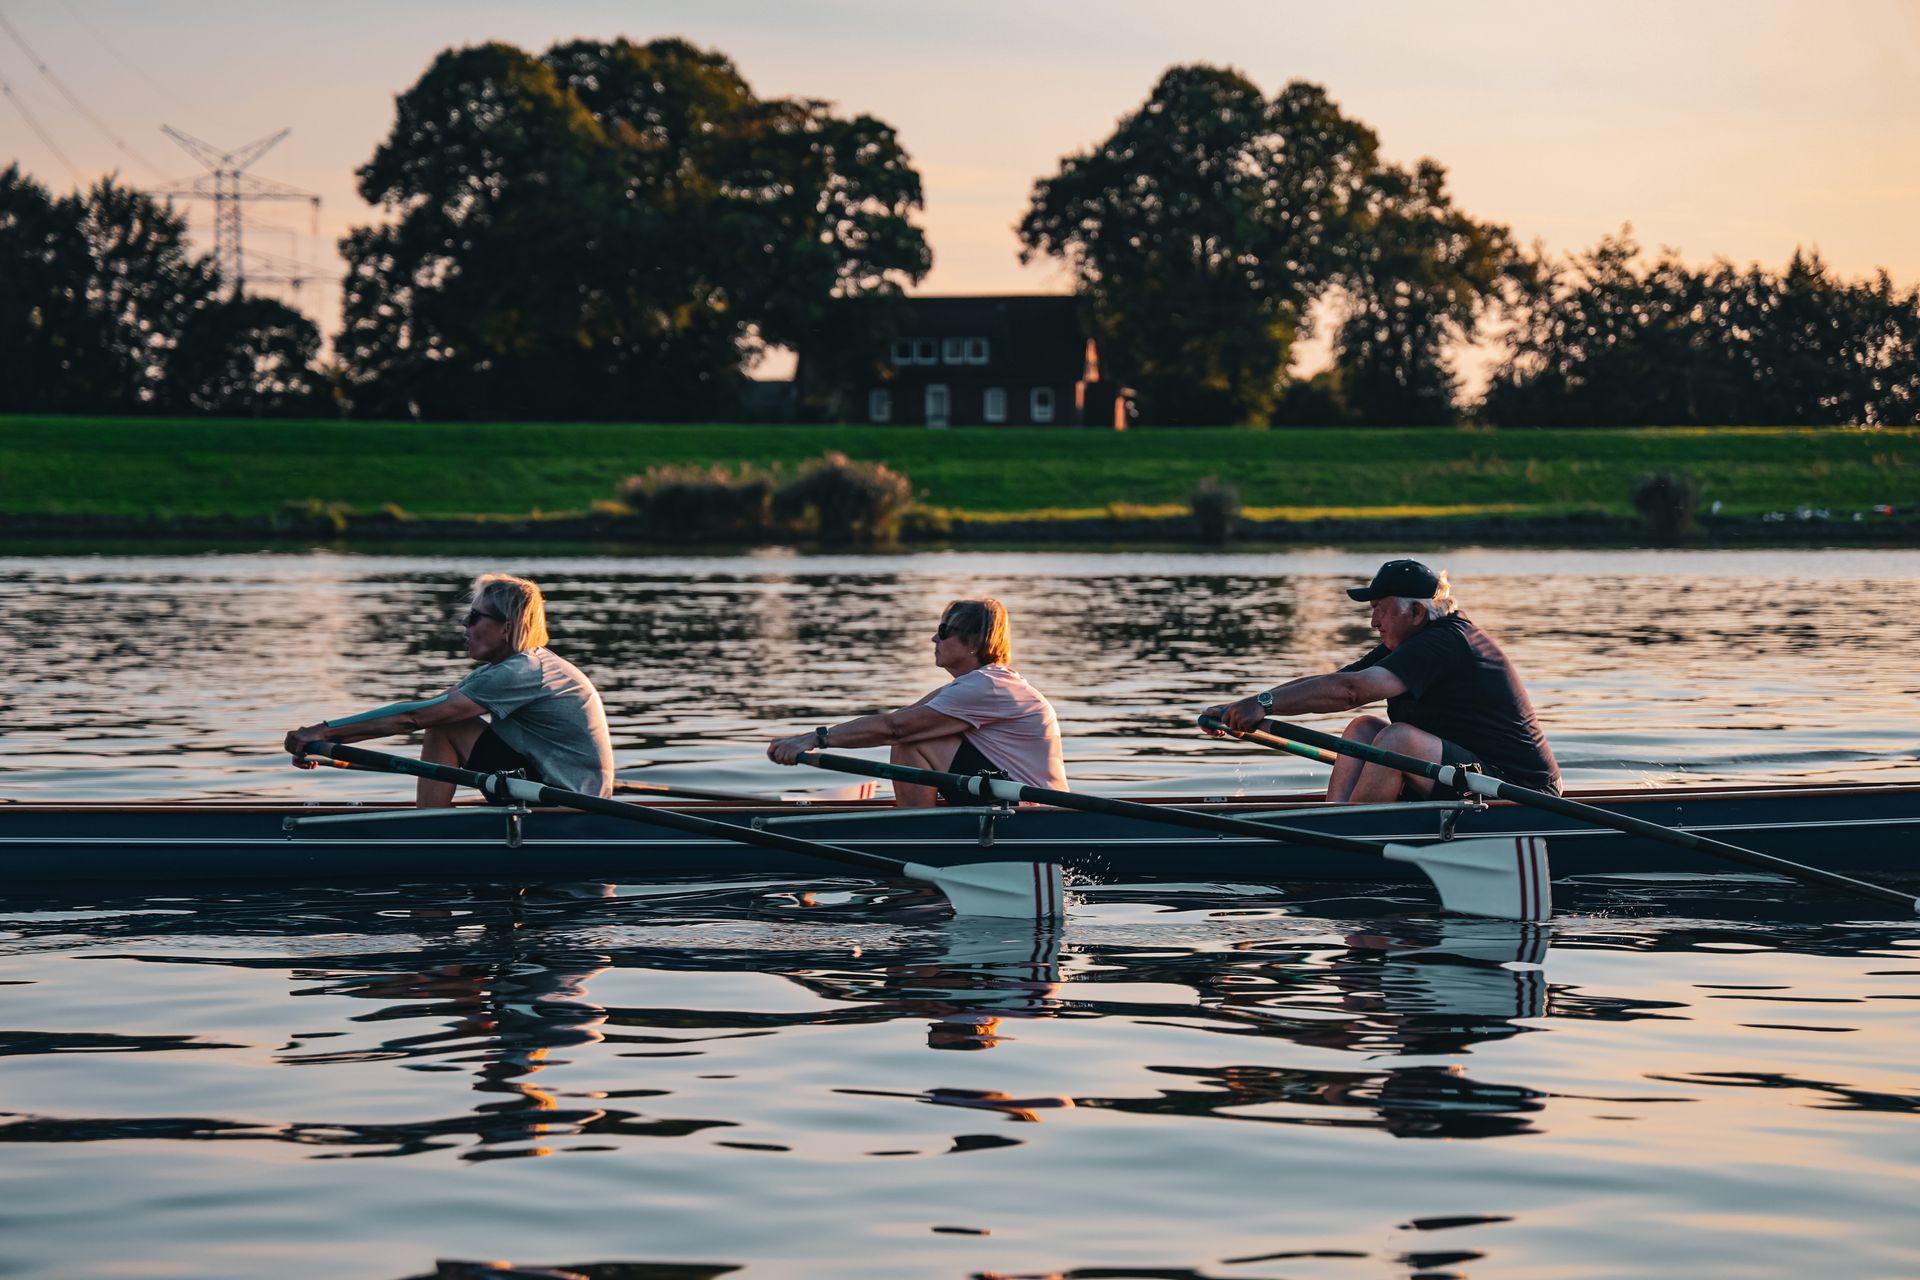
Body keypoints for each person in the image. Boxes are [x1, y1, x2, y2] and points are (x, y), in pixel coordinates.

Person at [1207, 559, 1559, 802]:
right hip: (1467, 774)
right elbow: (1341, 680)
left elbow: (1350, 692)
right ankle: (1338, 821)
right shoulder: (1414, 641)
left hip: (1519, 790)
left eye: (1380, 608)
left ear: (1417, 611)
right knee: (1362, 729)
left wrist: (1263, 705)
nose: (1374, 621)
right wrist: (1245, 707)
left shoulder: (1445, 642)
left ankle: (1351, 836)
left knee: (1396, 739)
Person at [285, 573, 616, 805]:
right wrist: (332, 740)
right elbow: (420, 711)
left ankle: (428, 831)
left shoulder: (523, 671)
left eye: (474, 617)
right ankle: (430, 822)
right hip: (552, 788)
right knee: (444, 718)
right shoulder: (504, 670)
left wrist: (325, 733)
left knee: (445, 723)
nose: (464, 624)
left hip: (566, 802)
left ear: (506, 628)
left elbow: (416, 718)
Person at [767, 597, 1068, 806]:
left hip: (1032, 812)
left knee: (912, 740)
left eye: (943, 631)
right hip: (1014, 802)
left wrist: (815, 738)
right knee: (915, 731)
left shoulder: (986, 686)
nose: (933, 640)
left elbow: (896, 730)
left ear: (975, 643)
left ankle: (916, 829)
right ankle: (919, 819)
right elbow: (900, 717)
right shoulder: (979, 685)